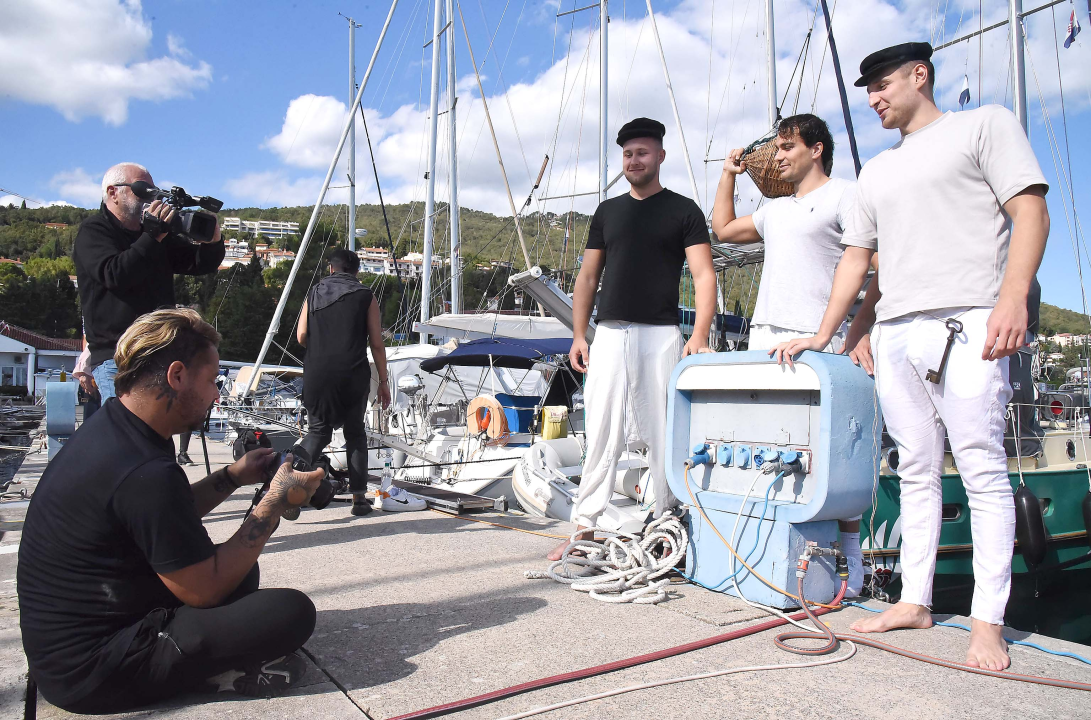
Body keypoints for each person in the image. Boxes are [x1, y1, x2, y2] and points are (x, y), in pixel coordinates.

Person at [769, 42, 1050, 670]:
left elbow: (1030, 209)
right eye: (866, 89)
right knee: (916, 470)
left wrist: (1013, 300)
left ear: (919, 76)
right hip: (894, 328)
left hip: (969, 318)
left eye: (882, 85)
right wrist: (829, 333)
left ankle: (988, 621)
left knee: (980, 469)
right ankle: (916, 599)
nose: (873, 99)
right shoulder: (877, 172)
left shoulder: (984, 125)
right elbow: (857, 259)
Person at [18, 309, 325, 713]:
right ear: (177, 375)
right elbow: (204, 589)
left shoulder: (120, 428)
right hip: (92, 673)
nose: (217, 393)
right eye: (212, 380)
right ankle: (215, 676)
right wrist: (274, 502)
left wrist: (232, 476)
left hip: (67, 647)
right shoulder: (143, 469)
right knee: (291, 612)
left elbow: (161, 514)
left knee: (242, 574)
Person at [547, 117, 717, 561]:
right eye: (627, 154)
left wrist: (699, 333)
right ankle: (584, 526)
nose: (634, 160)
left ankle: (665, 522)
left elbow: (703, 274)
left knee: (663, 431)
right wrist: (579, 334)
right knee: (601, 428)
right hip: (609, 333)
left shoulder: (684, 210)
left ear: (660, 156)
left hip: (661, 334)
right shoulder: (608, 212)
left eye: (642, 152)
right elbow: (587, 277)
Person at [710, 113, 864, 597]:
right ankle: (773, 562)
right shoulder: (775, 209)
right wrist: (728, 175)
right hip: (765, 337)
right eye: (777, 147)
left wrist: (852, 331)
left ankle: (852, 566)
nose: (777, 156)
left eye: (787, 146)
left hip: (819, 340)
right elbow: (722, 229)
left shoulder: (845, 195)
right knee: (770, 447)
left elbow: (875, 265)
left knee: (835, 454)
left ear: (816, 149)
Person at [74, 162, 226, 403]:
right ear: (113, 192)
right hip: (118, 356)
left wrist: (213, 242)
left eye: (154, 191)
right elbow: (115, 274)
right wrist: (152, 236)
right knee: (124, 431)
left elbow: (198, 263)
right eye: (142, 190)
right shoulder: (94, 230)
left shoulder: (156, 235)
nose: (151, 197)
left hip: (161, 351)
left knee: (158, 432)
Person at [295, 248, 412, 515]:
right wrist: (383, 381)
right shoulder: (365, 296)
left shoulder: (314, 292)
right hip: (352, 371)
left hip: (317, 371)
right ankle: (359, 500)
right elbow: (377, 344)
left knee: (318, 432)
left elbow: (302, 335)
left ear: (330, 268)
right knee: (355, 433)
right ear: (357, 271)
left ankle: (289, 477)